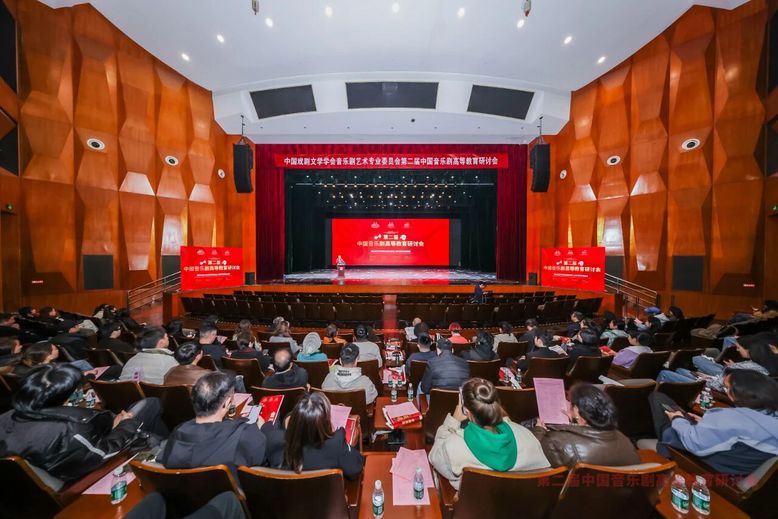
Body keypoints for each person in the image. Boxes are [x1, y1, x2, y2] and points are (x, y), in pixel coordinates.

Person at [0, 364, 166, 482]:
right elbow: (100, 455)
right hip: (87, 475)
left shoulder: (7, 416)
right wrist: (123, 425)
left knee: (149, 405)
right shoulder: (68, 428)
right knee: (150, 411)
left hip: (63, 463)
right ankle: (164, 448)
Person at [429, 378, 550, 490]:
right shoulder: (527, 437)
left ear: (467, 411)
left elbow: (434, 457)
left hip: (476, 504)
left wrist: (451, 423)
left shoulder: (453, 446)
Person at [649, 370, 778, 475]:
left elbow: (694, 443)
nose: (725, 391)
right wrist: (707, 424)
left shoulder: (732, 418)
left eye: (726, 388)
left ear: (740, 392)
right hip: (736, 467)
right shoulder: (771, 417)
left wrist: (677, 419)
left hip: (703, 464)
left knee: (657, 398)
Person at [158, 371, 278, 475]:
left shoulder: (177, 433)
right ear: (227, 403)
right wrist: (265, 428)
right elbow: (265, 458)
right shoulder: (244, 433)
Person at [532, 384, 639, 467]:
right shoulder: (624, 439)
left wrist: (539, 430)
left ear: (577, 410)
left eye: (571, 404)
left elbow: (534, 454)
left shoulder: (557, 441)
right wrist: (575, 422)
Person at [269, 392, 363, 478]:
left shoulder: (274, 440)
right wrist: (349, 446)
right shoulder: (336, 444)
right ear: (325, 424)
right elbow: (355, 469)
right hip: (325, 491)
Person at [656, 335, 778, 392]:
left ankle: (654, 397)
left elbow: (716, 386)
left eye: (739, 347)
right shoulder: (767, 364)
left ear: (750, 350)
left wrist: (704, 378)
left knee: (664, 373)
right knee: (680, 370)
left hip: (710, 389)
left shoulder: (740, 367)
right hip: (721, 385)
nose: (737, 350)